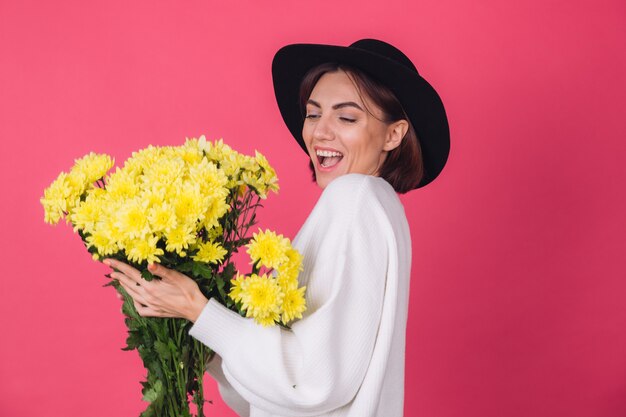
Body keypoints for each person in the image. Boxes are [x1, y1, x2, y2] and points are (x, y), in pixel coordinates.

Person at [105, 38, 450, 417]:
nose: (320, 132)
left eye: (347, 117)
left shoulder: (355, 198)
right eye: (314, 114)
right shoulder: (381, 208)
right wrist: (194, 326)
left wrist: (199, 310)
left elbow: (313, 382)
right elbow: (285, 388)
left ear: (393, 134)